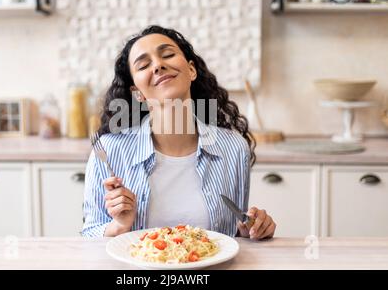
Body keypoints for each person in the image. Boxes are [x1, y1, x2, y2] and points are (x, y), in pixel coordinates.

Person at [82, 25, 276, 240]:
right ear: (137, 93)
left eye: (168, 55)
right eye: (144, 65)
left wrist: (253, 228)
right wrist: (118, 226)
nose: (158, 65)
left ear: (191, 70)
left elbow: (235, 235)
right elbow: (89, 236)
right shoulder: (109, 151)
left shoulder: (233, 147)